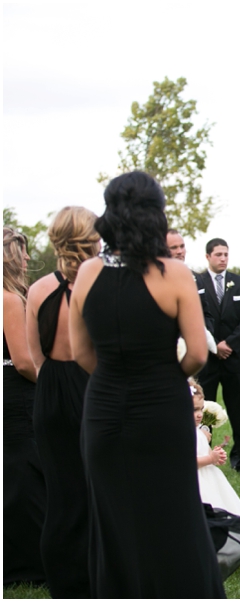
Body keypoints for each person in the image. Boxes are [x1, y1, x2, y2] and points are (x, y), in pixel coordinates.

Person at [68, 170, 225, 597]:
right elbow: (196, 352)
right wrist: (160, 377)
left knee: (115, 516)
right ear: (155, 215)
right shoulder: (173, 274)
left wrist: (114, 376)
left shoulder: (86, 274)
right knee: (172, 515)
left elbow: (79, 352)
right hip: (160, 408)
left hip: (102, 409)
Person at [24, 206, 99, 598]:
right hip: (92, 388)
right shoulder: (102, 282)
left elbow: (35, 357)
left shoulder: (37, 290)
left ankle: (65, 585)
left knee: (60, 492)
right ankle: (100, 574)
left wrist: (54, 384)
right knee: (97, 490)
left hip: (50, 392)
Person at [3, 227, 46, 587]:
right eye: (22, 251)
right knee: (22, 476)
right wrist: (50, 384)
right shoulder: (9, 299)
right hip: (15, 393)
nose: (29, 259)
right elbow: (21, 361)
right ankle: (24, 563)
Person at [196, 238, 240, 474]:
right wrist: (215, 346)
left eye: (226, 254)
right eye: (218, 255)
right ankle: (205, 457)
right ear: (208, 257)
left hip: (237, 358)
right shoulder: (197, 282)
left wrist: (229, 344)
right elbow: (197, 318)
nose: (223, 258)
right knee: (203, 412)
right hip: (208, 359)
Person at [191, 379, 240, 560]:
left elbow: (204, 452)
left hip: (210, 479)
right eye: (194, 410)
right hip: (195, 483)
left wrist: (214, 455)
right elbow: (186, 461)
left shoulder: (200, 431)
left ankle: (220, 548)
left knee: (219, 511)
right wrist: (209, 458)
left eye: (200, 409)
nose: (198, 415)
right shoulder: (183, 433)